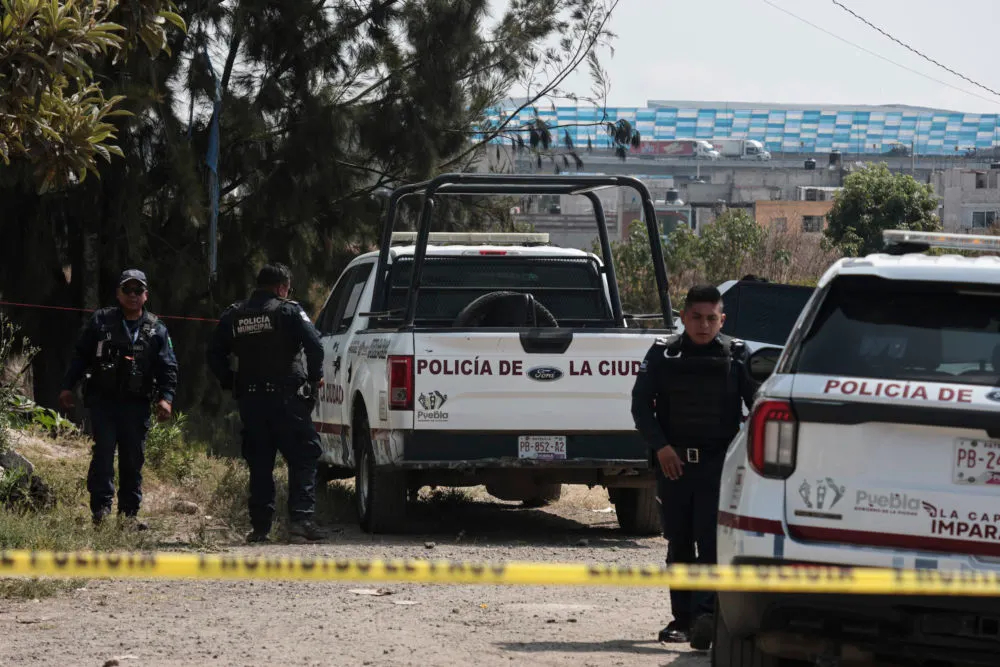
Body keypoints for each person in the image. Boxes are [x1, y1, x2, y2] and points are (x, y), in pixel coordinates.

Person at [630, 284, 759, 651]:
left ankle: (706, 616)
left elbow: (757, 409)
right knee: (679, 542)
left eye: (711, 318)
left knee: (712, 543)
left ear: (722, 319)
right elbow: (641, 406)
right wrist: (662, 448)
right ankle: (682, 619)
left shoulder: (736, 355)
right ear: (684, 317)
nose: (704, 325)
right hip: (674, 466)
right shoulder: (663, 355)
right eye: (697, 318)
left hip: (718, 466)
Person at [206, 263, 328, 544]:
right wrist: (314, 379)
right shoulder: (288, 310)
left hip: (251, 400)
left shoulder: (235, 314)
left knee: (260, 462)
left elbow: (214, 353)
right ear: (281, 287)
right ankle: (300, 520)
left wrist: (231, 382)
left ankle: (260, 528)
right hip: (286, 399)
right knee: (305, 454)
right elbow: (315, 345)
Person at [59, 269, 178, 529]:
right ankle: (100, 513)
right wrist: (68, 386)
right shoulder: (101, 322)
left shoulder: (156, 328)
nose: (133, 296)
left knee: (132, 460)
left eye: (138, 291)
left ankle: (128, 516)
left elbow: (168, 367)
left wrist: (166, 398)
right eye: (128, 290)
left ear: (146, 295)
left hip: (136, 406)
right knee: (102, 455)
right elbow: (81, 355)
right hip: (104, 402)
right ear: (118, 293)